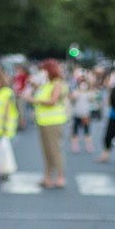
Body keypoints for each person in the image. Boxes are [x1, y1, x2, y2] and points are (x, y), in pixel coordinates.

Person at [31, 59, 69, 189]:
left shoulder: (57, 83)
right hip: (43, 121)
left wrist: (35, 100)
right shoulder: (47, 83)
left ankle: (60, 176)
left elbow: (53, 100)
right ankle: (47, 176)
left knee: (54, 150)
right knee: (46, 151)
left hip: (53, 122)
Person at [70, 73, 96, 154]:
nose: (83, 85)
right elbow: (72, 98)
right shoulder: (75, 92)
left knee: (87, 131)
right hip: (77, 114)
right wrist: (77, 94)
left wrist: (91, 89)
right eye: (81, 84)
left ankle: (89, 146)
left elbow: (92, 99)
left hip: (86, 115)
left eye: (84, 84)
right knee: (75, 131)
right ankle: (75, 146)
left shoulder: (89, 93)